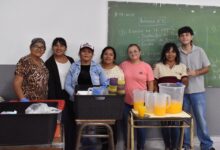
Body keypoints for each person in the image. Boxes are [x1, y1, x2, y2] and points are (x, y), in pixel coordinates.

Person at [65, 42, 108, 150]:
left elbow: (105, 84)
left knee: (92, 128)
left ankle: (93, 147)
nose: (86, 54)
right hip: (78, 103)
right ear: (79, 53)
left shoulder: (97, 67)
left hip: (94, 102)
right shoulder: (73, 66)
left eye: (89, 52)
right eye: (83, 51)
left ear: (92, 55)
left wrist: (97, 92)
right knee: (80, 128)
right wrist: (74, 95)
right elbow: (67, 85)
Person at [178, 26, 215, 150]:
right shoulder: (176, 52)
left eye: (187, 35)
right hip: (182, 92)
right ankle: (186, 145)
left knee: (201, 120)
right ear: (179, 38)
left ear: (191, 37)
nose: (185, 37)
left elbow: (207, 67)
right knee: (185, 120)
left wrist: (196, 73)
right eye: (182, 35)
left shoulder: (199, 51)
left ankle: (207, 145)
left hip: (198, 91)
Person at [153, 42, 188, 150]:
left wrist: (183, 83)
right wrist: (154, 93)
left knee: (175, 124)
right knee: (164, 124)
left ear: (176, 54)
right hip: (161, 100)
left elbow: (185, 79)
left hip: (176, 100)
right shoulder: (158, 66)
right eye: (168, 51)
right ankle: (167, 146)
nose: (170, 54)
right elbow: (154, 81)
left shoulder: (182, 66)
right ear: (164, 53)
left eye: (173, 52)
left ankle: (175, 147)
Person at [120, 44, 154, 150]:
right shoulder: (123, 65)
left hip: (141, 103)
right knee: (126, 127)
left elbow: (151, 84)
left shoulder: (146, 66)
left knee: (140, 127)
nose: (133, 53)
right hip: (125, 102)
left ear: (140, 52)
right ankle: (128, 146)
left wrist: (149, 99)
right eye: (130, 52)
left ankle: (141, 147)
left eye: (135, 51)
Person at [45, 37, 74, 150]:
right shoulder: (49, 63)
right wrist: (53, 102)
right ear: (52, 48)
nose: (58, 48)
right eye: (56, 45)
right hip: (57, 97)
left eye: (61, 45)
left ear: (65, 48)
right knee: (61, 124)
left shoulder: (71, 60)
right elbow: (50, 85)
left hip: (71, 96)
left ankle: (71, 146)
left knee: (71, 124)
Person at [100, 46, 124, 150]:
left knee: (113, 127)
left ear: (114, 57)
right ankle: (104, 147)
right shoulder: (96, 68)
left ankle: (112, 147)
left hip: (113, 104)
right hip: (98, 103)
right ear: (102, 56)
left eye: (111, 54)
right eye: (106, 54)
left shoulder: (118, 70)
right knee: (101, 127)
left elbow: (121, 88)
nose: (108, 56)